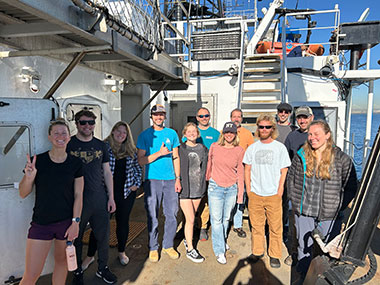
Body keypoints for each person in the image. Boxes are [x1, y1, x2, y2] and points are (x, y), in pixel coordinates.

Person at [287, 120, 358, 279]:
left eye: (316, 134)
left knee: (329, 250)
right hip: (304, 212)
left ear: (327, 135)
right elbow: (291, 179)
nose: (312, 137)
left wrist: (339, 205)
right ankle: (304, 277)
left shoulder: (341, 159)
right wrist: (295, 202)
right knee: (303, 248)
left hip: (329, 214)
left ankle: (325, 279)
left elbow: (351, 185)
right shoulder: (301, 156)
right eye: (310, 134)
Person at [19, 120, 84, 285]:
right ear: (49, 137)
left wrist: (75, 222)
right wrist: (29, 177)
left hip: (66, 224)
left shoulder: (75, 163)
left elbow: (79, 194)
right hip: (41, 224)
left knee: (62, 264)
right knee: (31, 275)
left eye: (64, 133)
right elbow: (23, 193)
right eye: (56, 133)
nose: (60, 136)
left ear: (69, 137)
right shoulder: (37, 162)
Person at [81, 121, 142, 269]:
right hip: (105, 193)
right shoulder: (103, 147)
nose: (121, 135)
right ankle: (90, 256)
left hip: (126, 192)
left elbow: (138, 167)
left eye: (124, 132)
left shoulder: (131, 150)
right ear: (113, 131)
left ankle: (121, 252)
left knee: (122, 223)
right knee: (99, 226)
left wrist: (137, 183)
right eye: (119, 131)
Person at [67, 110, 117, 285]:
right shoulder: (69, 144)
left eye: (90, 122)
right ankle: (77, 271)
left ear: (95, 124)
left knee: (103, 236)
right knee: (76, 239)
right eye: (83, 123)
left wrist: (111, 197)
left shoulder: (101, 145)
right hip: (76, 201)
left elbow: (107, 172)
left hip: (99, 198)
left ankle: (103, 268)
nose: (87, 126)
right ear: (76, 124)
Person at [243, 114, 291, 268]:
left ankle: (275, 255)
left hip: (273, 195)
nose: (264, 129)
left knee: (275, 227)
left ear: (272, 128)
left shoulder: (279, 147)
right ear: (258, 128)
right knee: (256, 226)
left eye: (267, 127)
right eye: (261, 127)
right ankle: (257, 252)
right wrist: (249, 190)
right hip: (256, 194)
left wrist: (280, 189)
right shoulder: (252, 148)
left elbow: (284, 170)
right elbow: (247, 169)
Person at [137, 104, 181, 262]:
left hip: (170, 180)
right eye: (156, 114)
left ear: (165, 116)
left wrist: (178, 179)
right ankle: (153, 247)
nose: (159, 117)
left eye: (161, 114)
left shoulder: (172, 134)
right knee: (152, 216)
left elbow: (176, 157)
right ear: (151, 116)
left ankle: (168, 245)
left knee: (172, 215)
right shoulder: (144, 135)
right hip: (152, 180)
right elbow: (141, 161)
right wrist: (159, 153)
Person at [206, 122, 245, 264]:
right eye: (227, 132)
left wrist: (240, 193)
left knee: (226, 218)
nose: (229, 135)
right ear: (223, 133)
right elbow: (210, 164)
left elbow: (240, 173)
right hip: (215, 186)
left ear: (235, 134)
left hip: (231, 188)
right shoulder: (214, 147)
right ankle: (219, 250)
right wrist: (208, 178)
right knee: (216, 220)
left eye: (232, 132)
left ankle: (221, 241)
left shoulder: (239, 150)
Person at [283, 105, 314, 266]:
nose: (302, 120)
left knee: (314, 222)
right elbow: (286, 161)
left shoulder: (317, 135)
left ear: (311, 118)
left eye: (305, 117)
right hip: (296, 187)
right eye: (299, 118)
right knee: (295, 222)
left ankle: (312, 253)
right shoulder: (291, 137)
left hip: (315, 188)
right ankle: (294, 252)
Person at [179, 122, 208, 263]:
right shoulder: (180, 148)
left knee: (190, 218)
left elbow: (206, 167)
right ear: (184, 134)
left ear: (197, 133)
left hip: (198, 188)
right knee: (190, 219)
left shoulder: (203, 148)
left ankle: (186, 238)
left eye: (194, 131)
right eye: (188, 131)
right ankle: (190, 249)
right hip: (184, 188)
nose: (191, 133)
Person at [194, 107, 220, 241]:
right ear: (197, 118)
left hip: (209, 172)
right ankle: (190, 225)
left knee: (205, 201)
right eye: (201, 116)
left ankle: (203, 227)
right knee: (190, 201)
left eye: (206, 116)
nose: (204, 118)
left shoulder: (216, 133)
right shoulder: (192, 132)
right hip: (192, 174)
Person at [230, 108, 255, 238]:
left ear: (242, 118)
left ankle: (238, 225)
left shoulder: (247, 134)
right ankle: (227, 221)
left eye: (239, 117)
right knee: (228, 197)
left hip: (242, 171)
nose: (236, 119)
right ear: (230, 118)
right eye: (234, 116)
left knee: (241, 198)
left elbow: (251, 153)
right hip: (227, 172)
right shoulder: (224, 132)